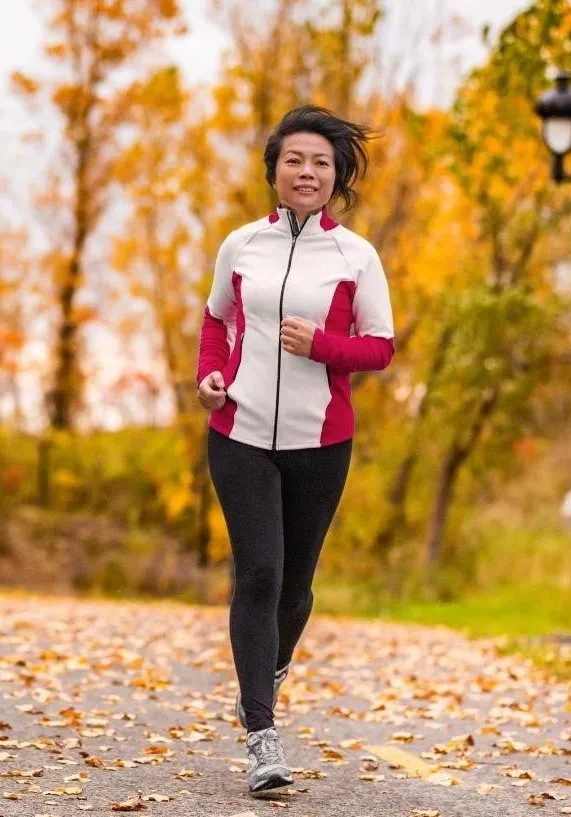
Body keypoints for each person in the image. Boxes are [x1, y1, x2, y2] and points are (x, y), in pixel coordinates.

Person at [195, 105, 395, 793]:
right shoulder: (242, 244)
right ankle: (261, 732)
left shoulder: (355, 255)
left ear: (336, 173)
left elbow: (380, 347)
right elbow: (217, 318)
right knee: (258, 574)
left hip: (321, 441)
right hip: (239, 432)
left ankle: (268, 665)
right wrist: (209, 377)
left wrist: (324, 347)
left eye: (319, 162)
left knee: (296, 588)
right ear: (274, 170)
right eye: (293, 160)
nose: (306, 172)